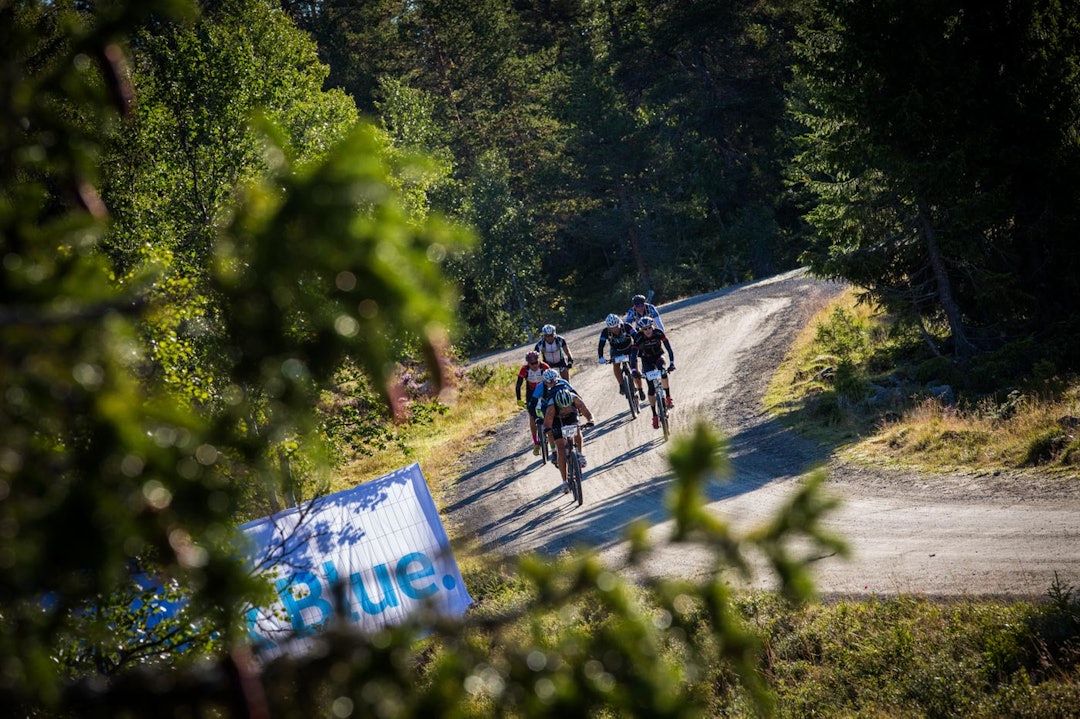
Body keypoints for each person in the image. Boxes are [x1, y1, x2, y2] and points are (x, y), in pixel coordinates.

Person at [541, 387, 594, 494]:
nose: (565, 410)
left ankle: (579, 454)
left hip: (571, 416)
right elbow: (546, 424)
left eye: (567, 407)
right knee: (560, 447)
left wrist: (591, 420)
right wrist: (547, 430)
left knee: (577, 430)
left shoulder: (575, 400)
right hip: (556, 419)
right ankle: (564, 481)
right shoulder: (552, 407)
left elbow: (587, 412)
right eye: (563, 408)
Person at [630, 316, 676, 429]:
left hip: (658, 357)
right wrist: (634, 370)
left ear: (652, 327)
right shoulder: (638, 337)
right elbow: (633, 355)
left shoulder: (659, 333)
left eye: (649, 328)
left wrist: (672, 363)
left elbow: (669, 349)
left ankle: (668, 397)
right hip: (646, 360)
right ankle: (655, 415)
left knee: (663, 371)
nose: (648, 331)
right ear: (641, 330)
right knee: (651, 388)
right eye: (645, 329)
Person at [597, 312, 645, 400]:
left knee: (635, 369)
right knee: (615, 365)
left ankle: (640, 389)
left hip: (629, 348)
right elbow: (601, 345)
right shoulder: (605, 332)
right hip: (616, 351)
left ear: (620, 323)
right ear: (608, 327)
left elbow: (636, 337)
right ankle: (621, 385)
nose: (615, 329)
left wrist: (640, 349)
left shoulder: (627, 326)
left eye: (616, 326)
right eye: (612, 328)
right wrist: (601, 357)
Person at [515, 350, 551, 455]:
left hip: (544, 390)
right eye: (532, 364)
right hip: (531, 393)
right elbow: (518, 385)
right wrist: (518, 399)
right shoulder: (524, 369)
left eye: (536, 362)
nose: (535, 365)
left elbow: (553, 380)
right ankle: (536, 443)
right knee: (531, 416)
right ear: (528, 363)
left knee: (549, 410)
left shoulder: (544, 367)